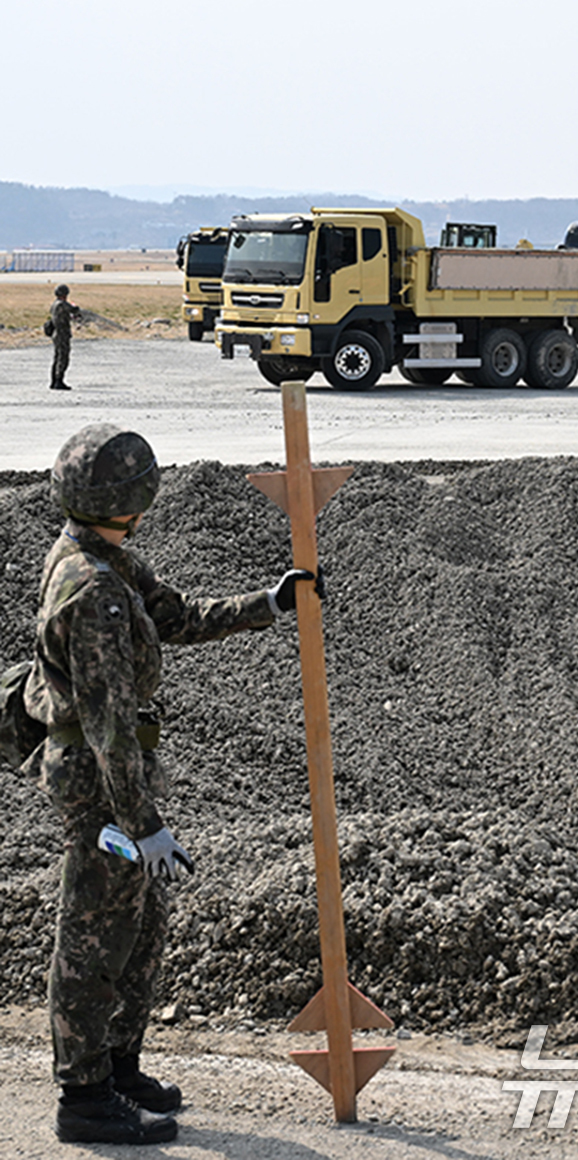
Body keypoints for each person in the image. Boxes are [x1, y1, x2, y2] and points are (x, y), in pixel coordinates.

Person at [22, 423, 312, 1145]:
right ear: (129, 500)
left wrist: (268, 604)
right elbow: (109, 724)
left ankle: (117, 1066)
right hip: (98, 786)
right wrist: (142, 822)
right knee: (94, 933)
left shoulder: (102, 558)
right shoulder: (91, 589)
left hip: (114, 778)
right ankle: (83, 1097)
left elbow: (175, 616)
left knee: (140, 925)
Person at [49, 284, 82, 391]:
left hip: (56, 333)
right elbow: (74, 310)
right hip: (62, 333)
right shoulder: (62, 304)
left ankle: (54, 381)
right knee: (63, 357)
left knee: (57, 357)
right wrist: (76, 308)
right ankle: (59, 381)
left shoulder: (54, 304)